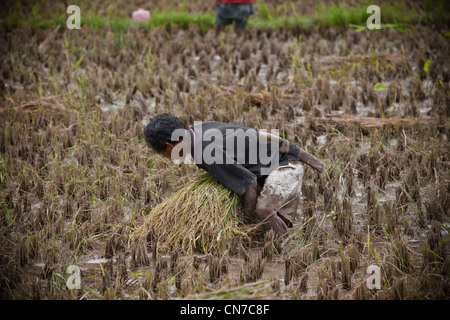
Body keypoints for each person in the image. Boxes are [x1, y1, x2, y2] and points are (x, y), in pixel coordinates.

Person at [143, 113, 325, 235]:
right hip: (277, 161)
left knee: (262, 210)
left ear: (169, 146)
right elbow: (253, 134)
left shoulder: (205, 152)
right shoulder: (199, 129)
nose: (168, 157)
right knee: (264, 214)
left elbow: (250, 182)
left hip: (285, 168)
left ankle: (285, 250)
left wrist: (246, 221)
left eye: (164, 154)